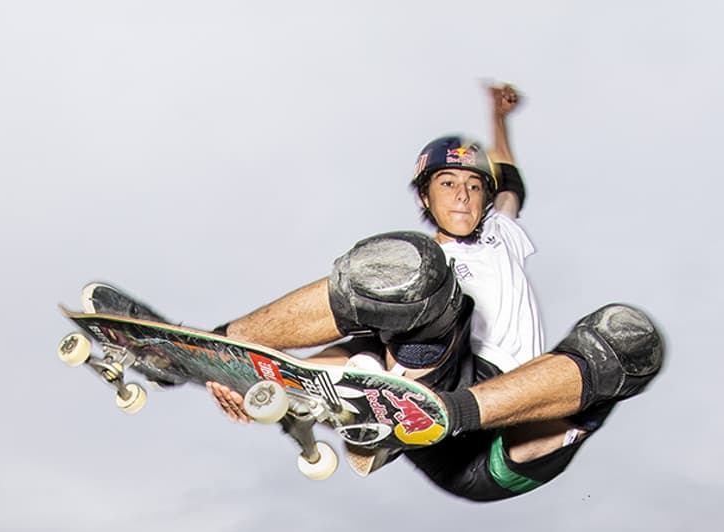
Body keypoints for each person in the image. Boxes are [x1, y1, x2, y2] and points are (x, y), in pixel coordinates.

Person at [81, 84, 664, 501]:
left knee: (627, 337)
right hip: (423, 382)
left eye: (471, 187)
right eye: (447, 184)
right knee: (407, 270)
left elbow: (509, 178)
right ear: (425, 196)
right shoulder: (414, 271)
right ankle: (195, 347)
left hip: (503, 430)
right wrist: (240, 374)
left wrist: (497, 118)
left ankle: (434, 415)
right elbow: (349, 356)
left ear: (485, 197)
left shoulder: (504, 232)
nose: (462, 197)